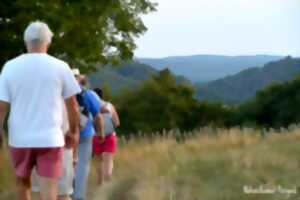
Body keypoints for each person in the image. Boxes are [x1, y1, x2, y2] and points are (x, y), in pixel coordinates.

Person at [0, 21, 81, 200]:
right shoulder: (61, 66)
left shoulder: (9, 67)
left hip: (19, 138)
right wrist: (74, 132)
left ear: (25, 41)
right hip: (50, 138)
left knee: (22, 184)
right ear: (48, 42)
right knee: (49, 189)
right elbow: (72, 105)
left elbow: (1, 107)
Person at [31, 103, 76, 200]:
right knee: (60, 194)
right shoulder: (64, 92)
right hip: (57, 147)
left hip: (44, 147)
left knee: (45, 193)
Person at [72, 70, 104, 200]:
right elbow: (97, 116)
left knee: (66, 164)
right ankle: (78, 196)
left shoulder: (59, 92)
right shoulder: (89, 94)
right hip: (85, 134)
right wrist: (101, 133)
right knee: (82, 165)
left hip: (64, 135)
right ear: (80, 78)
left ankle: (66, 192)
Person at [92, 88, 120, 185]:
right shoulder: (109, 106)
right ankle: (108, 184)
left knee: (98, 162)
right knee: (108, 161)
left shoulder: (90, 107)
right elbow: (117, 123)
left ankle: (100, 184)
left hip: (96, 137)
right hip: (110, 136)